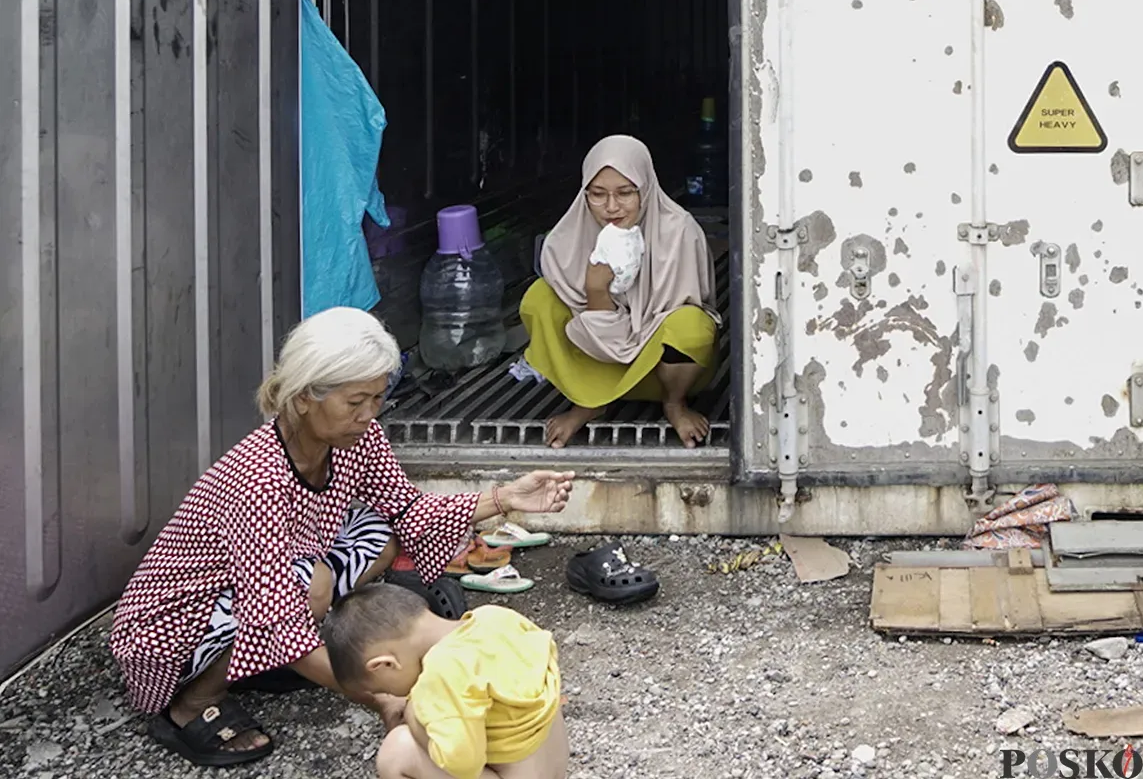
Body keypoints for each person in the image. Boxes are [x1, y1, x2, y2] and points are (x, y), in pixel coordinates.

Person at [108, 307, 575, 768]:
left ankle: (289, 654)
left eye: (376, 399)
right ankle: (191, 704)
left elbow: (407, 508)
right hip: (174, 626)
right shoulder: (257, 478)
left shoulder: (358, 438)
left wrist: (505, 497)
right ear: (304, 396)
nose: (368, 415)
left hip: (274, 585)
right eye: (355, 402)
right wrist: (384, 701)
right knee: (293, 588)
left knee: (385, 529)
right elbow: (272, 616)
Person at [520, 134, 721, 449]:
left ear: (646, 189)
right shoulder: (568, 239)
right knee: (539, 298)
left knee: (692, 326)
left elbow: (686, 314)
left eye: (625, 193)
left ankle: (675, 404)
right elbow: (596, 332)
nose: (611, 207)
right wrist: (595, 289)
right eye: (597, 194)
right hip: (594, 359)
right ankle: (589, 401)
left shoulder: (680, 231)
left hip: (660, 372)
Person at [322, 583, 567, 779]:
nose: (394, 696)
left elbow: (463, 764)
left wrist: (414, 717)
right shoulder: (494, 617)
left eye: (384, 689)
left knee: (397, 751)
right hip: (553, 767)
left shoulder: (441, 674)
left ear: (385, 664)